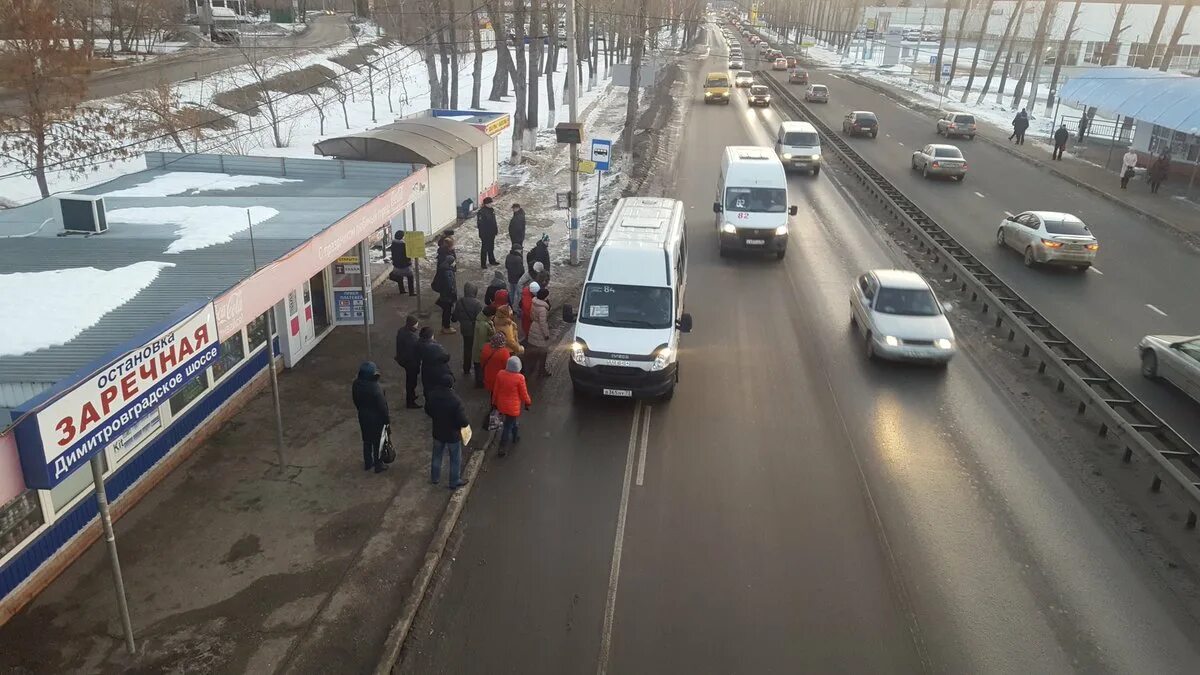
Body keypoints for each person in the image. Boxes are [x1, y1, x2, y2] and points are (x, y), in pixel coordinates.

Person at [425, 372, 470, 490]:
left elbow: (428, 409)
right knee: (455, 458)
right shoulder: (455, 400)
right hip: (452, 434)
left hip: (438, 431)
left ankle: (435, 478)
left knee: (437, 455)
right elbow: (463, 421)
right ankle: (454, 481)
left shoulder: (433, 395)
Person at [351, 361, 390, 473]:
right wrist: (386, 420)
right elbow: (382, 407)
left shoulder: (356, 384)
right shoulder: (375, 388)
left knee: (366, 440)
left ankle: (368, 463)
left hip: (363, 415)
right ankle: (378, 465)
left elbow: (355, 400)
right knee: (378, 442)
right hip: (376, 418)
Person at [492, 356, 532, 457]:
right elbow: (523, 394)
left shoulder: (500, 374)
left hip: (501, 404)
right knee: (507, 426)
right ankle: (502, 446)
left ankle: (515, 436)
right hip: (512, 408)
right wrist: (528, 402)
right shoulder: (520, 378)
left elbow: (496, 390)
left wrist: (494, 402)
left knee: (511, 422)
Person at [452, 282, 483, 375]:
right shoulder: (477, 303)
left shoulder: (460, 301)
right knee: (476, 348)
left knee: (467, 348)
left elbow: (454, 318)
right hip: (475, 329)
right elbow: (480, 318)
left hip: (464, 329)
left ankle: (466, 368)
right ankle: (477, 367)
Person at [394, 314, 422, 408]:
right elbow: (415, 350)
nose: (417, 326)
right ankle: (410, 402)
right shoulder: (410, 337)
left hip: (403, 360)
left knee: (410, 380)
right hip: (410, 362)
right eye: (416, 324)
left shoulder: (402, 331)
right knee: (411, 382)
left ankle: (412, 396)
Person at [417, 327, 453, 397]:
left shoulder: (420, 344)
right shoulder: (435, 347)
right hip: (436, 370)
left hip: (426, 370)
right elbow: (446, 356)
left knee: (428, 388)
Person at [525, 287, 553, 378]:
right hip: (540, 331)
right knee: (543, 351)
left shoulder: (534, 302)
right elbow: (543, 323)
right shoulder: (542, 309)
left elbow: (531, 315)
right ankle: (542, 370)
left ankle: (530, 369)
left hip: (533, 327)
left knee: (534, 350)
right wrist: (546, 334)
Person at [432, 238, 458, 334]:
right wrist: (453, 293)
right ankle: (446, 327)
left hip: (443, 287)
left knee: (446, 304)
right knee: (447, 308)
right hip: (447, 290)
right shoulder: (448, 269)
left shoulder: (442, 256)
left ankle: (441, 302)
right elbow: (449, 283)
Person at [472, 305, 497, 387]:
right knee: (480, 367)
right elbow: (482, 341)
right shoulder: (484, 325)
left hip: (478, 349)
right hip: (481, 351)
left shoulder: (481, 320)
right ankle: (480, 383)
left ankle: (479, 381)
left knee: (478, 366)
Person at [476, 197, 499, 268]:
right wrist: (483, 233)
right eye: (490, 203)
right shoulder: (481, 212)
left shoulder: (491, 210)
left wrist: (495, 229)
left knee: (491, 247)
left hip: (491, 233)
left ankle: (492, 260)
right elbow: (480, 224)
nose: (491, 204)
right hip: (485, 233)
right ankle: (483, 264)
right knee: (484, 248)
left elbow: (493, 221)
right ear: (486, 204)